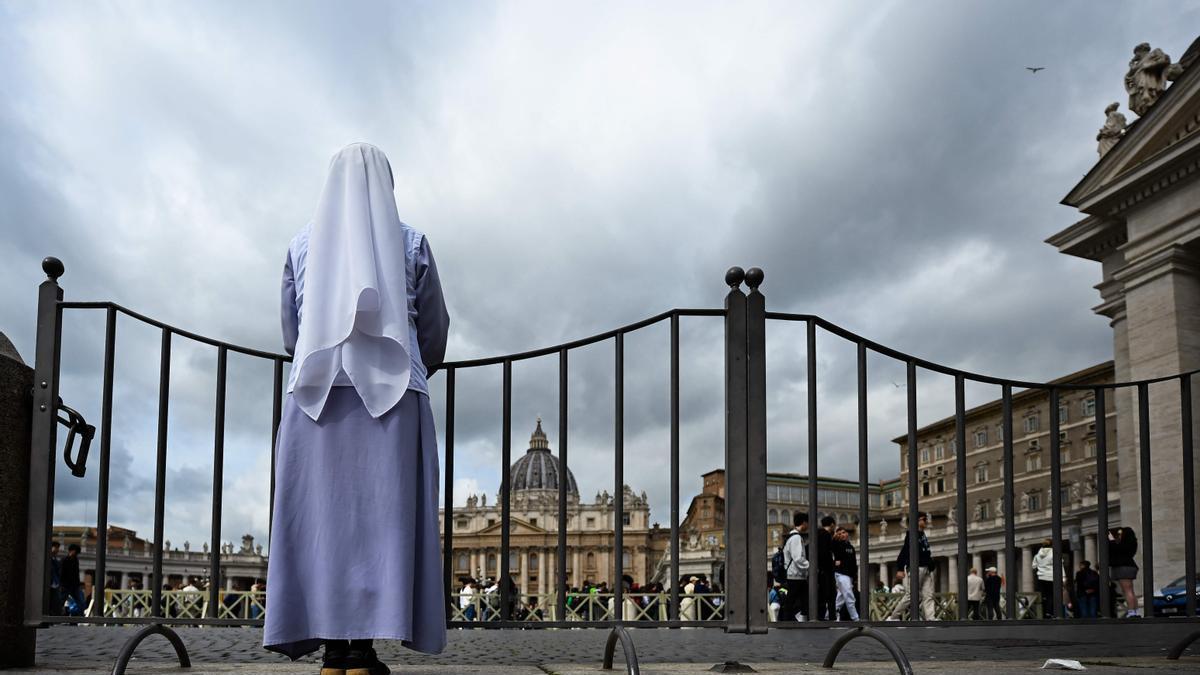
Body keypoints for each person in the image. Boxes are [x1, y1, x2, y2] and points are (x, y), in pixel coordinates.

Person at [263, 143, 451, 674]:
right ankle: (363, 652)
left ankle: (333, 653)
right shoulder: (412, 242)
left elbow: (290, 333)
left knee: (320, 527)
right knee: (382, 527)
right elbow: (434, 331)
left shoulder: (301, 245)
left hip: (315, 396)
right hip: (396, 393)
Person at [888, 513, 936, 620]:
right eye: (924, 519)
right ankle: (893, 617)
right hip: (916, 568)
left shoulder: (922, 534)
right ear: (917, 521)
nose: (926, 521)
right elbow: (904, 551)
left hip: (926, 568)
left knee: (929, 595)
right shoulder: (911, 534)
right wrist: (900, 568)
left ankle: (931, 618)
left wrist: (930, 563)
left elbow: (926, 551)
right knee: (911, 595)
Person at [780, 512, 810, 621]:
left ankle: (791, 620)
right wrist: (809, 566)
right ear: (804, 523)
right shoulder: (796, 538)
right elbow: (798, 558)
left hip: (795, 574)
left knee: (799, 600)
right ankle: (787, 621)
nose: (808, 526)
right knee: (795, 600)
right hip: (796, 575)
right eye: (808, 523)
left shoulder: (790, 536)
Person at [1108, 527, 1140, 618]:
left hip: (1123, 567)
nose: (1120, 535)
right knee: (1130, 591)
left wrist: (1112, 540)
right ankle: (1135, 611)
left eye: (1121, 533)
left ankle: (1131, 612)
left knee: (1127, 591)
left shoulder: (1124, 544)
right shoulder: (1132, 542)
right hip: (1130, 566)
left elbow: (1117, 549)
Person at [831, 527, 859, 621]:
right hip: (841, 574)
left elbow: (854, 563)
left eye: (843, 532)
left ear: (847, 533)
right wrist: (835, 538)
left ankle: (828, 617)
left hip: (849, 575)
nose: (842, 535)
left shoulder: (851, 547)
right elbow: (832, 546)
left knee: (840, 599)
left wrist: (854, 577)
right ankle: (856, 618)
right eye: (839, 534)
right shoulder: (837, 544)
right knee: (849, 595)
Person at [1032, 538, 1059, 618]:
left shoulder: (1037, 555)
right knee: (1051, 595)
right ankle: (1049, 612)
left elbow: (1033, 566)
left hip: (1040, 577)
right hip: (1051, 577)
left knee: (1042, 596)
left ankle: (1042, 613)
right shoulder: (1054, 553)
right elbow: (1058, 565)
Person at [817, 516, 837, 620]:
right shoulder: (825, 535)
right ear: (832, 524)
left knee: (824, 595)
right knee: (830, 594)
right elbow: (825, 553)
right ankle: (831, 617)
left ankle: (823, 617)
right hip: (826, 570)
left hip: (822, 569)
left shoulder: (820, 534)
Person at [61, 543, 84, 617]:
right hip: (66, 585)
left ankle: (78, 616)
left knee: (80, 601)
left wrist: (78, 584)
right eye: (76, 552)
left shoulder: (75, 560)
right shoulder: (64, 560)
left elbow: (76, 573)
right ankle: (57, 615)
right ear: (72, 551)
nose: (76, 554)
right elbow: (61, 573)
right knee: (61, 601)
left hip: (74, 585)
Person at [48, 541, 62, 616]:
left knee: (55, 601)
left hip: (55, 583)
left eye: (58, 548)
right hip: (50, 583)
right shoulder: (49, 559)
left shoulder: (55, 560)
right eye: (56, 547)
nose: (57, 550)